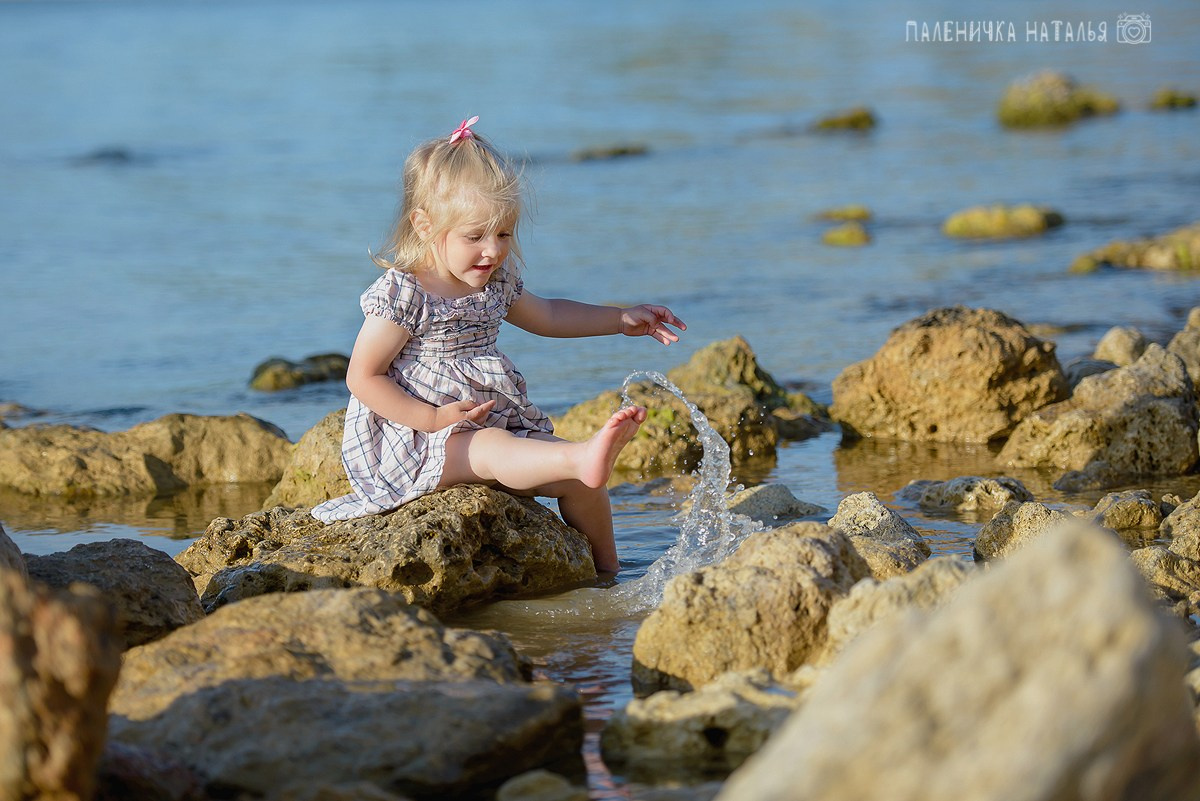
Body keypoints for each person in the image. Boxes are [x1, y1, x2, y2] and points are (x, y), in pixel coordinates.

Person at [311, 116, 685, 573]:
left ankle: (610, 575)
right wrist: (430, 419)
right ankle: (583, 455)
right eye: (475, 237)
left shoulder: (494, 281)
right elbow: (362, 375)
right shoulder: (407, 292)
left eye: (504, 234)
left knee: (581, 483)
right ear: (424, 226)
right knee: (490, 447)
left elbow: (548, 315)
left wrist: (620, 319)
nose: (493, 251)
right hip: (414, 441)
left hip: (487, 419)